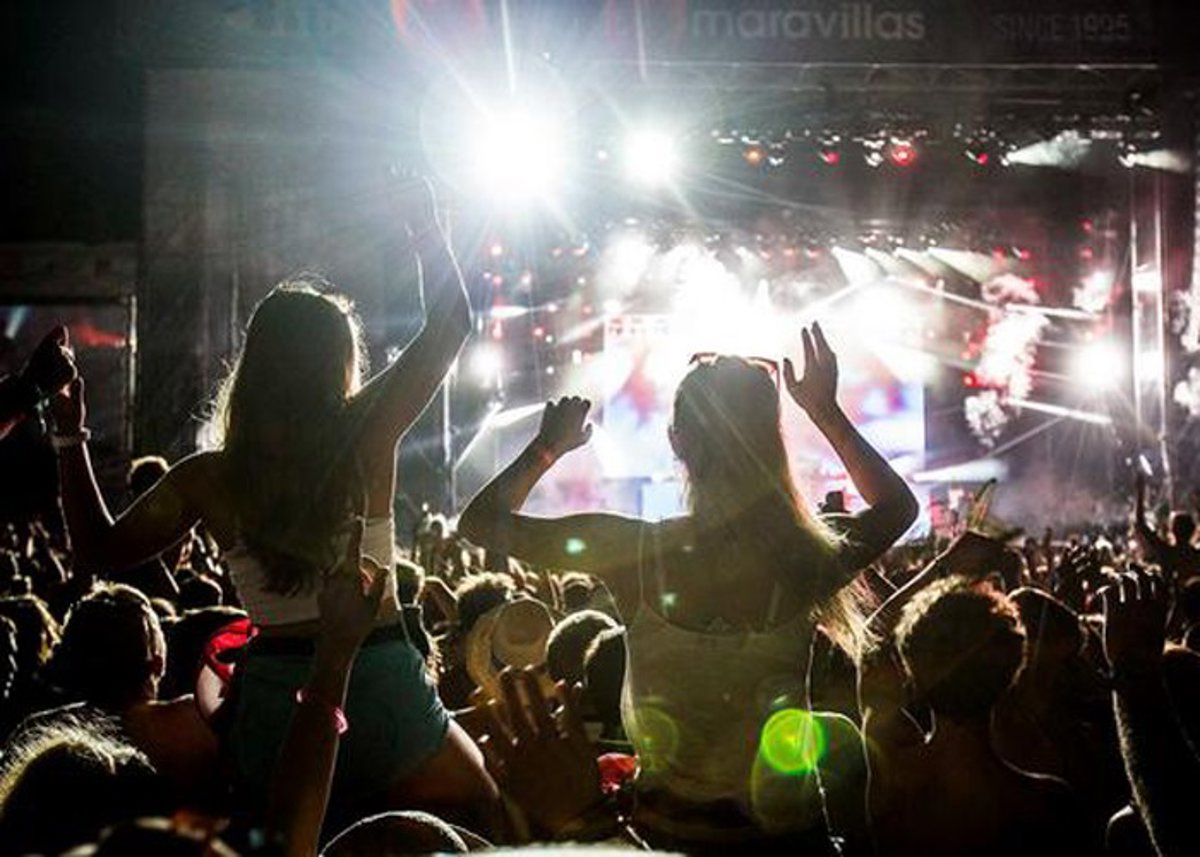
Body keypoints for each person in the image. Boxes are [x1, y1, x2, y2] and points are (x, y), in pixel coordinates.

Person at [48, 178, 496, 828]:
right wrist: (427, 229)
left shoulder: (209, 478)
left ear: (254, 364)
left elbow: (98, 549)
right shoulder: (366, 430)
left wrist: (69, 434)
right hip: (382, 689)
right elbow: (450, 325)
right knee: (484, 812)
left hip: (272, 713)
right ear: (339, 363)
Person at [459, 323, 917, 848]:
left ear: (676, 441)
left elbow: (481, 522)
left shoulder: (631, 553)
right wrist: (825, 412)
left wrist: (547, 447)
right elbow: (898, 507)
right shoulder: (799, 558)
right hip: (787, 843)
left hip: (665, 838)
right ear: (771, 442)